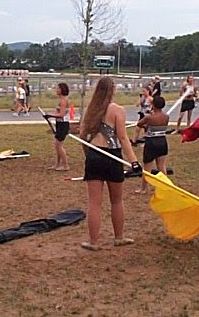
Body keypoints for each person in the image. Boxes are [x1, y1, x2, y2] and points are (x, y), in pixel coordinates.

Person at [79, 76, 141, 251]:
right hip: (112, 157)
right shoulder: (117, 110)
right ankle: (118, 237)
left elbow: (83, 137)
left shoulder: (91, 110)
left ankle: (93, 242)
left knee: (94, 203)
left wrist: (88, 156)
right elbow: (123, 138)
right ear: (113, 90)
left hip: (94, 155)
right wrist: (134, 161)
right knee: (116, 201)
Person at [134, 95, 169, 194]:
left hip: (151, 142)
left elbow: (139, 123)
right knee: (161, 166)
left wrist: (146, 126)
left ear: (153, 105)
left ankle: (144, 188)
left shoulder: (149, 117)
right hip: (162, 141)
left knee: (147, 167)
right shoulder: (166, 117)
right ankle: (165, 186)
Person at [44, 82, 70, 171]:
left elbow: (62, 114)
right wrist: (50, 115)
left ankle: (66, 165)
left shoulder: (63, 101)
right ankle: (57, 164)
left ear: (62, 90)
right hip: (59, 124)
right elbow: (58, 113)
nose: (56, 90)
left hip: (63, 125)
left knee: (59, 145)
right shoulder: (61, 100)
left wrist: (50, 115)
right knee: (57, 145)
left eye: (58, 88)